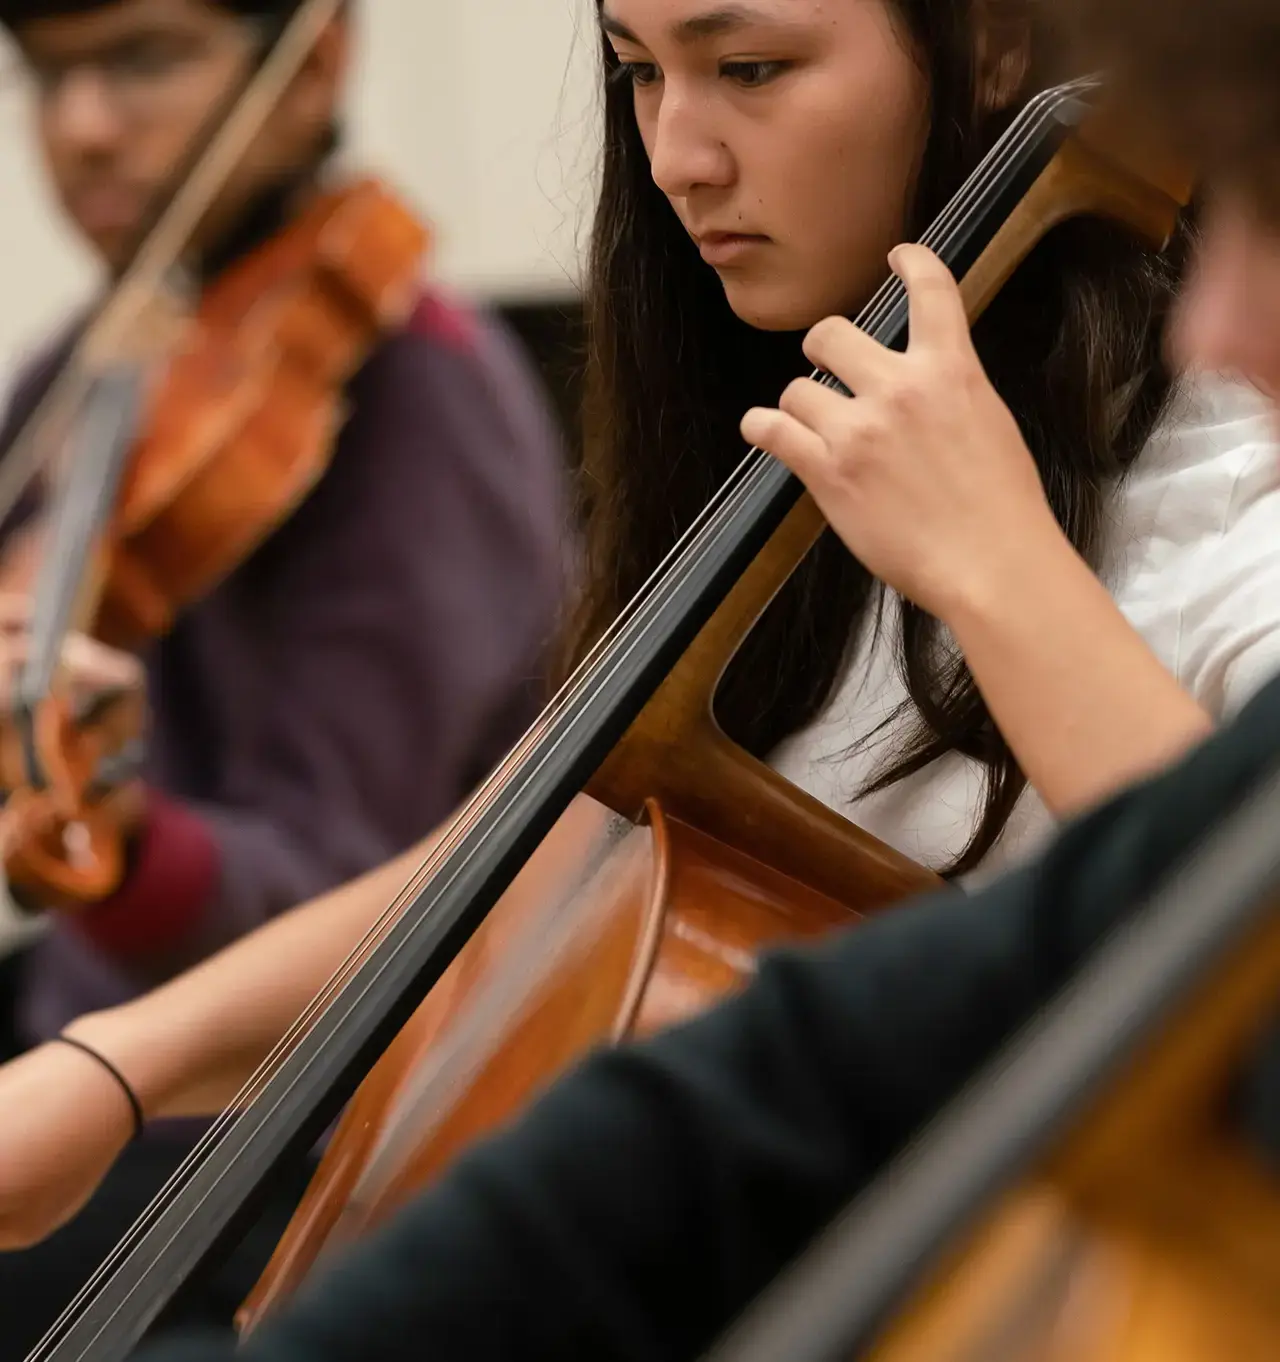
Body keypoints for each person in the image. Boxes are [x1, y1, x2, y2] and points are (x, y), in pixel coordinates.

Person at [2, 0, 1280, 1331]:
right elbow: (534, 851)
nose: (676, 153)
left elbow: (1248, 931)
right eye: (637, 73)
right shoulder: (809, 440)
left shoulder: (1228, 501)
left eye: (750, 70)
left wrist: (996, 570)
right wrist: (111, 1068)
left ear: (999, 42)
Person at [0, 0, 568, 1352]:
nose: (82, 127)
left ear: (310, 63)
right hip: (84, 1033)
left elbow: (367, 908)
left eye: (140, 58)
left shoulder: (420, 402)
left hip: (300, 1119)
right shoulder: (81, 376)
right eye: (48, 74)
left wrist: (126, 848)